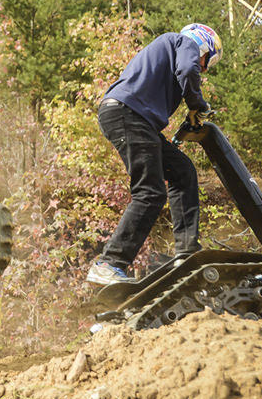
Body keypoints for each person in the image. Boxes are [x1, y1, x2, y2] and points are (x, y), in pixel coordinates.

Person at [86, 24, 222, 286]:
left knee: (182, 171)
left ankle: (186, 251)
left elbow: (184, 73)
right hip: (128, 114)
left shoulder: (171, 51)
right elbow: (188, 70)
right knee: (150, 192)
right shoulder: (182, 42)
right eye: (207, 62)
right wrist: (198, 105)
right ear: (203, 45)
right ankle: (109, 264)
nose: (204, 69)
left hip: (135, 119)